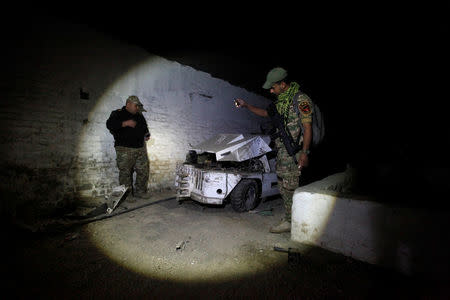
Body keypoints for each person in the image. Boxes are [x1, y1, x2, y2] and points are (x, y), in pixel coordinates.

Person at [235, 67, 315, 233]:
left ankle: (295, 221)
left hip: (294, 153)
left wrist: (305, 153)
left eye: (273, 87)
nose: (271, 90)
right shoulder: (281, 102)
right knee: (282, 185)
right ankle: (289, 218)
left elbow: (308, 128)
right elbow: (266, 113)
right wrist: (247, 105)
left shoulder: (301, 100)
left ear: (283, 84)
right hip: (282, 151)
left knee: (291, 186)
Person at [106, 95, 151, 200]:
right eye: (136, 106)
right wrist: (125, 123)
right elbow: (109, 125)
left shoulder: (139, 115)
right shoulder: (117, 113)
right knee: (125, 172)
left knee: (143, 171)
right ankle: (126, 196)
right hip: (124, 149)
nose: (137, 109)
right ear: (128, 104)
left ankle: (141, 191)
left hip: (140, 148)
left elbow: (144, 127)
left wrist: (147, 134)